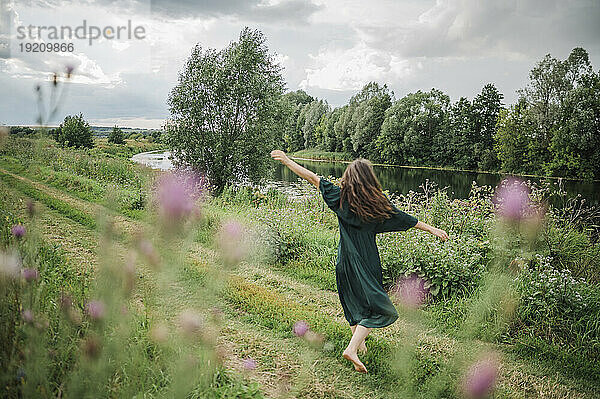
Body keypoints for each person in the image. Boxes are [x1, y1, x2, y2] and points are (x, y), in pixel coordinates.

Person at [271, 150, 449, 373]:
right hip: (367, 263)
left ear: (349, 178)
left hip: (344, 262)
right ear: (370, 179)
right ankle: (352, 348)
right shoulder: (378, 206)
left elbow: (312, 177)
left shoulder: (340, 199)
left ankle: (360, 344)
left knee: (354, 302)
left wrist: (287, 161)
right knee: (382, 309)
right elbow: (405, 219)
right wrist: (432, 228)